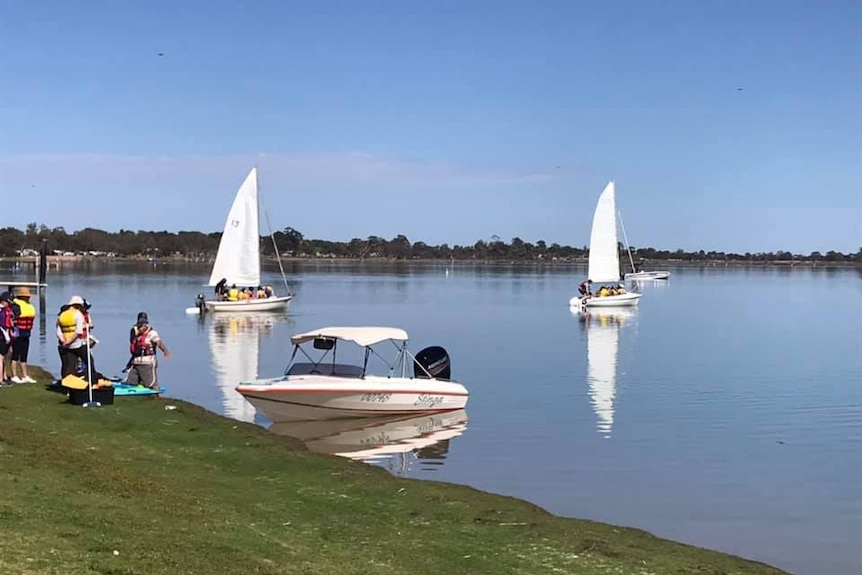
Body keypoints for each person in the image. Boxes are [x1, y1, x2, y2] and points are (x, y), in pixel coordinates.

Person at [126, 312, 171, 391]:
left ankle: (157, 395)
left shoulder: (152, 333)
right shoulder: (136, 333)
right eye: (139, 325)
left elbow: (159, 342)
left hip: (147, 363)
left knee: (151, 384)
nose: (139, 328)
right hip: (136, 363)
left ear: (146, 325)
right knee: (131, 382)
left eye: (141, 326)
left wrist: (165, 351)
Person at [56, 295, 93, 379]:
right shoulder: (78, 314)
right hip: (77, 344)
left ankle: (68, 386)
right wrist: (70, 341)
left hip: (65, 344)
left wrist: (64, 341)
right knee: (89, 362)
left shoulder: (62, 315)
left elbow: (59, 332)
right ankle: (90, 380)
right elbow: (79, 331)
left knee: (69, 366)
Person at [10, 287, 37, 383]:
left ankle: (25, 376)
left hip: (26, 333)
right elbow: (11, 320)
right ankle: (14, 375)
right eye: (26, 297)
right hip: (18, 333)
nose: (28, 298)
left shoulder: (29, 306)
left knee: (24, 355)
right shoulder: (15, 306)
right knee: (15, 354)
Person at [0, 292, 15, 384]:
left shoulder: (6, 311)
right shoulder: (6, 311)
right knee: (2, 358)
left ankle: (2, 378)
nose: (9, 304)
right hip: (4, 337)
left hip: (4, 336)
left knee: (2, 358)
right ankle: (2, 378)